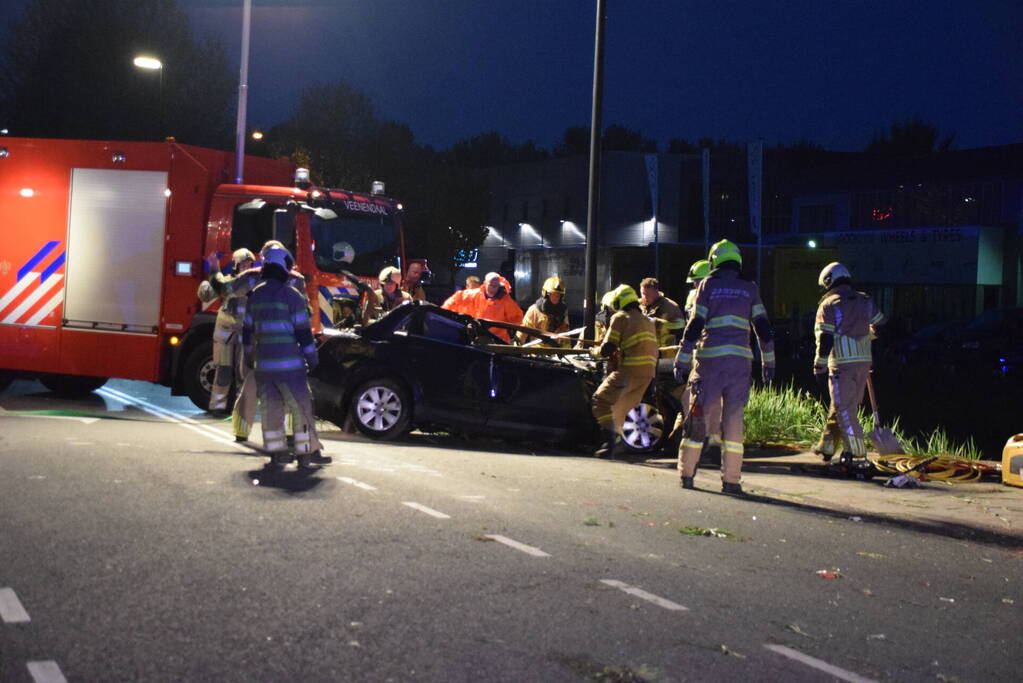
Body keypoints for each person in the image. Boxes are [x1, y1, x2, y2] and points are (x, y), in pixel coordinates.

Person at [673, 239, 775, 494]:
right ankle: (731, 481)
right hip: (739, 365)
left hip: (709, 363)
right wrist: (768, 363)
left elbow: (695, 324)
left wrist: (682, 358)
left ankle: (687, 474)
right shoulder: (750, 288)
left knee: (699, 416)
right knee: (733, 421)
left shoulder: (708, 285)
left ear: (713, 261)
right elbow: (763, 328)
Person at [242, 247, 323, 471]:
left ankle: (277, 453)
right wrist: (313, 359)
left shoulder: (255, 295)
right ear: (284, 267)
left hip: (264, 367)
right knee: (301, 408)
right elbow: (303, 334)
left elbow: (247, 331)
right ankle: (304, 453)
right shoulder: (292, 296)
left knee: (271, 410)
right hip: (290, 368)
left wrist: (249, 356)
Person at [812, 262, 886, 462]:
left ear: (829, 281)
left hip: (840, 365)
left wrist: (819, 366)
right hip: (863, 364)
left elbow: (825, 339)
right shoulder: (865, 300)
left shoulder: (828, 304)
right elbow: (881, 325)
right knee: (844, 406)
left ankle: (856, 452)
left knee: (844, 410)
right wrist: (865, 337)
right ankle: (827, 446)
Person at [590, 284, 659, 458]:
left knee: (601, 400)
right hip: (648, 373)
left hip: (630, 369)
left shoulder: (621, 317)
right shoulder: (646, 320)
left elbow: (607, 348)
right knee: (621, 408)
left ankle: (611, 441)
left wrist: (593, 352)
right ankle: (620, 445)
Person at [205, 248, 256, 415]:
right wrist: (209, 281)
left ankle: (240, 410)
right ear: (235, 265)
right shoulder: (228, 282)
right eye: (243, 264)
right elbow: (206, 295)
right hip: (226, 335)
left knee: (245, 374)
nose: (246, 267)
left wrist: (214, 272)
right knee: (223, 371)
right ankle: (218, 407)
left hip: (246, 334)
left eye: (249, 264)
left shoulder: (254, 284)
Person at [463, 272, 523, 343]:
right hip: (478, 339)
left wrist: (512, 331)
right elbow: (467, 314)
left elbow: (517, 318)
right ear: (485, 283)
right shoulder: (476, 296)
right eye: (491, 285)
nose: (493, 288)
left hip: (499, 341)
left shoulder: (505, 300)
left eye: (496, 286)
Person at [517, 276, 570, 345]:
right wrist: (516, 346)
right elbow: (523, 331)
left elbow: (565, 334)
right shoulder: (534, 310)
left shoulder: (562, 311)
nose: (556, 298)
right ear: (546, 294)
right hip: (537, 352)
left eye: (558, 295)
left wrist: (567, 353)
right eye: (553, 294)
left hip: (555, 351)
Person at [639, 277, 685, 347]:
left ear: (656, 292)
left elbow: (681, 325)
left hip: (664, 351)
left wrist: (657, 323)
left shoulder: (669, 305)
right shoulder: (638, 305)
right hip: (645, 349)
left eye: (648, 294)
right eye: (643, 294)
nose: (644, 297)